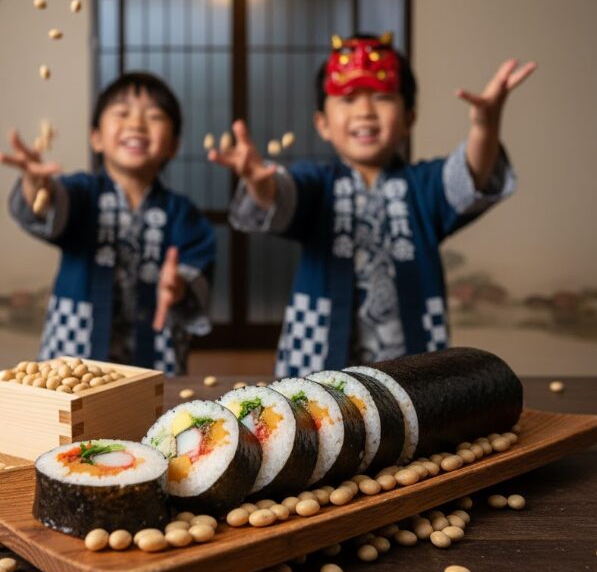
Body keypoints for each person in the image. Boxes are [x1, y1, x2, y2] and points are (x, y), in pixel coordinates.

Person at [209, 33, 535, 376]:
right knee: (314, 408)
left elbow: (471, 176)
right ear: (322, 123)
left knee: (419, 404)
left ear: (409, 118)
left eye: (382, 97)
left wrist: (485, 127)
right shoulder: (316, 182)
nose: (365, 112)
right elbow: (282, 195)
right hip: (319, 356)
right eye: (348, 99)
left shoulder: (422, 185)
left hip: (410, 359)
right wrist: (260, 183)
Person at [0, 72, 215, 375]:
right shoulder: (83, 192)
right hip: (74, 351)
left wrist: (178, 287)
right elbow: (47, 205)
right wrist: (35, 186)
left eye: (154, 116)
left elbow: (196, 269)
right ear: (96, 137)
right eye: (122, 113)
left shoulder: (182, 212)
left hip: (155, 351)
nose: (136, 124)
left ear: (173, 145)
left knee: (156, 402)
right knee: (71, 395)